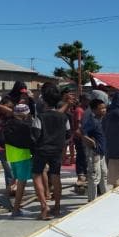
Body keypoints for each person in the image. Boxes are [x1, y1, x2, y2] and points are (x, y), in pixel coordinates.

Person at [31, 82, 71, 219]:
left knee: (36, 175)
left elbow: (35, 136)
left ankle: (44, 206)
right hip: (57, 150)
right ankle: (57, 207)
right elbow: (67, 134)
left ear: (44, 100)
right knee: (56, 176)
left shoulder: (40, 117)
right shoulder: (64, 117)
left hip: (42, 150)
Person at [4, 104, 33, 216]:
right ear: (24, 114)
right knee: (22, 182)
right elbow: (30, 142)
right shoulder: (24, 126)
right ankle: (16, 209)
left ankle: (4, 196)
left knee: (15, 179)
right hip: (22, 155)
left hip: (12, 155)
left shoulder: (8, 123)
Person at [81, 99, 108, 202]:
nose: (104, 110)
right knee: (94, 177)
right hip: (94, 154)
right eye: (101, 108)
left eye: (104, 108)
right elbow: (82, 133)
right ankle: (92, 201)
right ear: (94, 110)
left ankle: (105, 199)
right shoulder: (92, 121)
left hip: (102, 153)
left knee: (104, 175)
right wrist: (92, 144)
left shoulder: (102, 120)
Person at [0, 97, 15, 197]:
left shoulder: (9, 116)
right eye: (8, 106)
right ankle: (10, 189)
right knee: (8, 169)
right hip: (0, 146)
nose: (9, 108)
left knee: (9, 169)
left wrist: (1, 106)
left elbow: (13, 112)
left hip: (7, 146)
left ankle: (10, 189)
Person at [73, 94, 89, 186]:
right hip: (80, 137)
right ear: (82, 100)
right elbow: (79, 125)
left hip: (83, 136)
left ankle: (83, 173)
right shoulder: (79, 110)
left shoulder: (85, 110)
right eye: (87, 100)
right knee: (81, 156)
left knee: (83, 156)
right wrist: (83, 136)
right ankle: (80, 174)